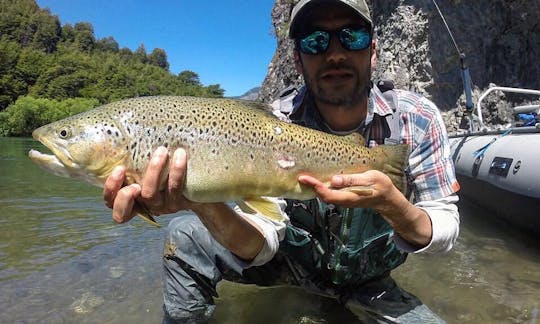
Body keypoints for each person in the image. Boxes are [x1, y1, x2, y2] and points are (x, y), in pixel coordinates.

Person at [103, 0, 460, 322]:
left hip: (372, 284)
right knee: (185, 235)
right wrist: (200, 203)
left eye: (351, 37)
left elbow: (444, 228)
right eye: (315, 41)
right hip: (289, 265)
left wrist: (393, 206)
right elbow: (261, 242)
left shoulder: (418, 119)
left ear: (373, 51)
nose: (334, 53)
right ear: (297, 58)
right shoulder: (272, 126)